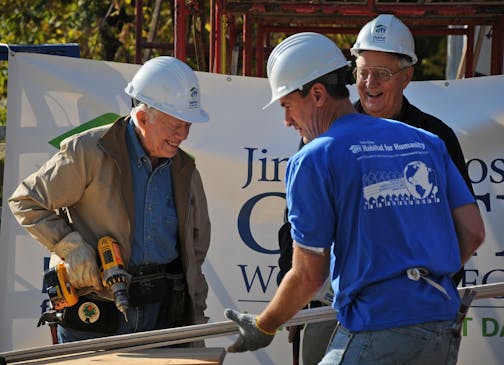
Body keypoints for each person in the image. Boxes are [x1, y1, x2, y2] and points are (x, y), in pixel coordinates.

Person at [224, 32, 485, 364]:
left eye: (287, 105)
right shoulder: (427, 141)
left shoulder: (315, 157)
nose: (287, 120)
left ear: (317, 94)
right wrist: (421, 288)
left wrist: (264, 325)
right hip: (439, 323)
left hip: (376, 325)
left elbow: (308, 276)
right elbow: (474, 232)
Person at [8, 56, 211, 345]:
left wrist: (193, 317)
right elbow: (26, 201)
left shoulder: (185, 170)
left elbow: (195, 248)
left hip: (163, 318)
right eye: (175, 125)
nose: (183, 135)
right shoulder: (89, 151)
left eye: (187, 125)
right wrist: (71, 247)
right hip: (98, 316)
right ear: (142, 118)